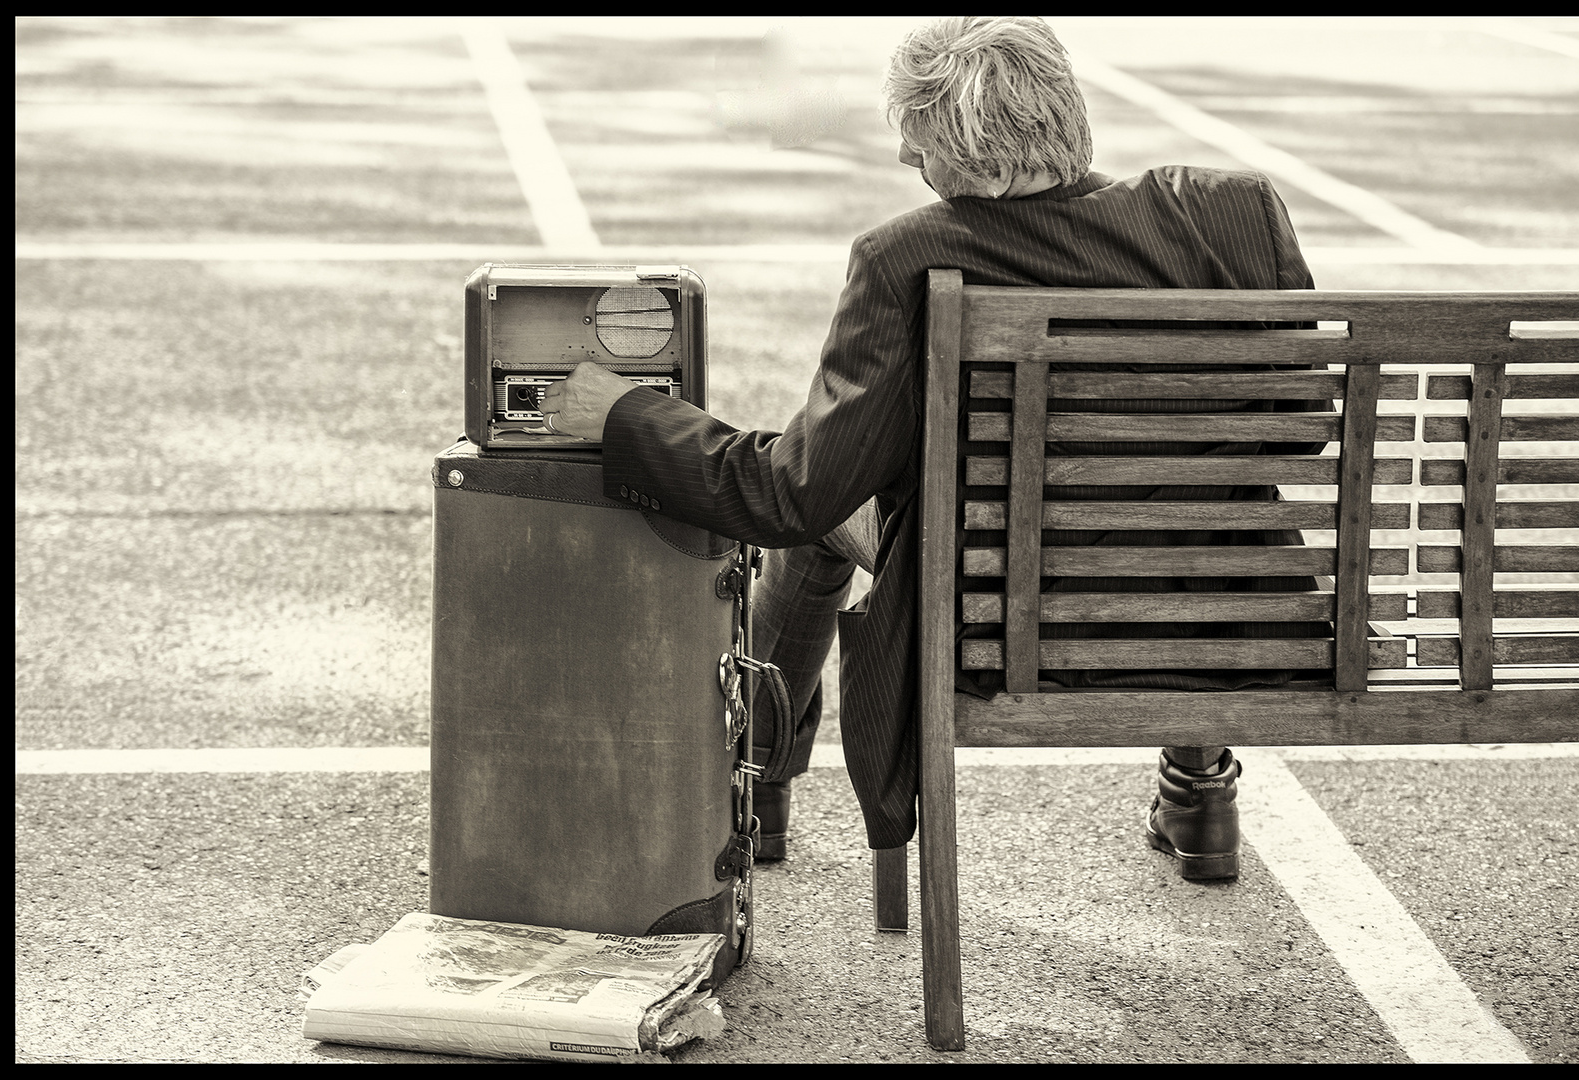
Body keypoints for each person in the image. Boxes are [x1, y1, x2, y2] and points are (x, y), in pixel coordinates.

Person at [539, 16, 1326, 882]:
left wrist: (627, 414)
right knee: (1179, 497)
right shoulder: (1233, 212)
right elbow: (1296, 425)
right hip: (1223, 613)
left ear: (975, 154)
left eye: (920, 145)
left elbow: (791, 492)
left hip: (1001, 621)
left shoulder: (910, 256)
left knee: (819, 519)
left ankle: (753, 789)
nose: (908, 164)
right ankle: (1198, 791)